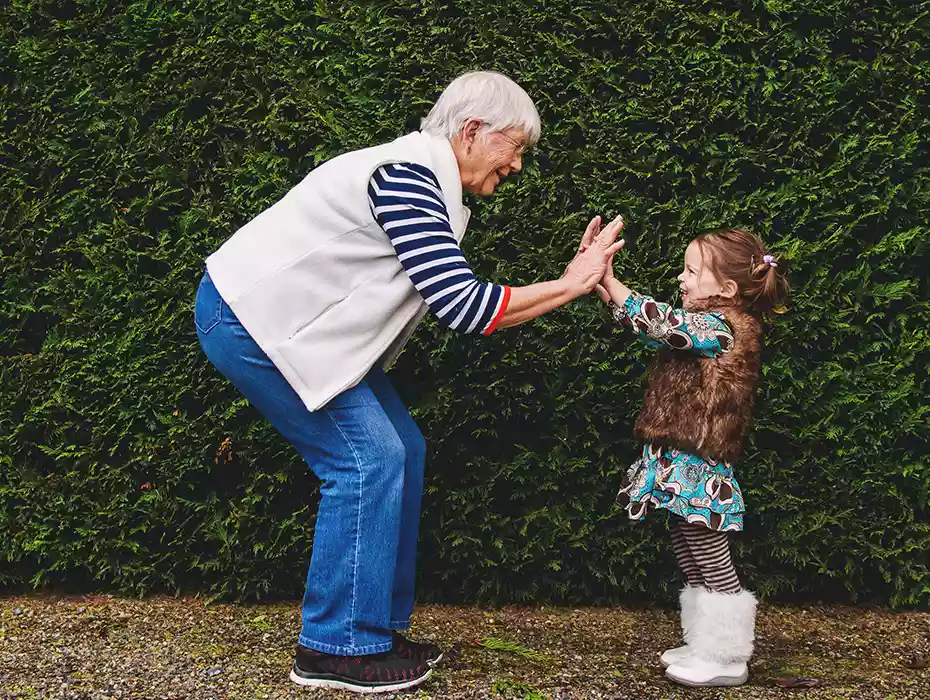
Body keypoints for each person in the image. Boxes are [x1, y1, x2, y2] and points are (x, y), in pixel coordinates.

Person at [194, 70, 624, 694]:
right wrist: (572, 284)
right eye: (516, 146)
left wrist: (568, 283)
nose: (520, 165)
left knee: (402, 449)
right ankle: (335, 648)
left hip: (291, 328)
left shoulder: (426, 179)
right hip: (252, 320)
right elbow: (465, 307)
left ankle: (374, 630)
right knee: (367, 460)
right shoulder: (407, 178)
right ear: (472, 130)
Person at [593, 227, 789, 687]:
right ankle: (706, 641)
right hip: (681, 457)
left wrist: (613, 282)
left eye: (692, 271)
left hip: (700, 462)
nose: (681, 279)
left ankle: (726, 656)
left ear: (726, 289)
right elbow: (655, 330)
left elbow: (663, 324)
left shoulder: (720, 328)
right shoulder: (700, 326)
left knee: (707, 550)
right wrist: (604, 286)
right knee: (688, 545)